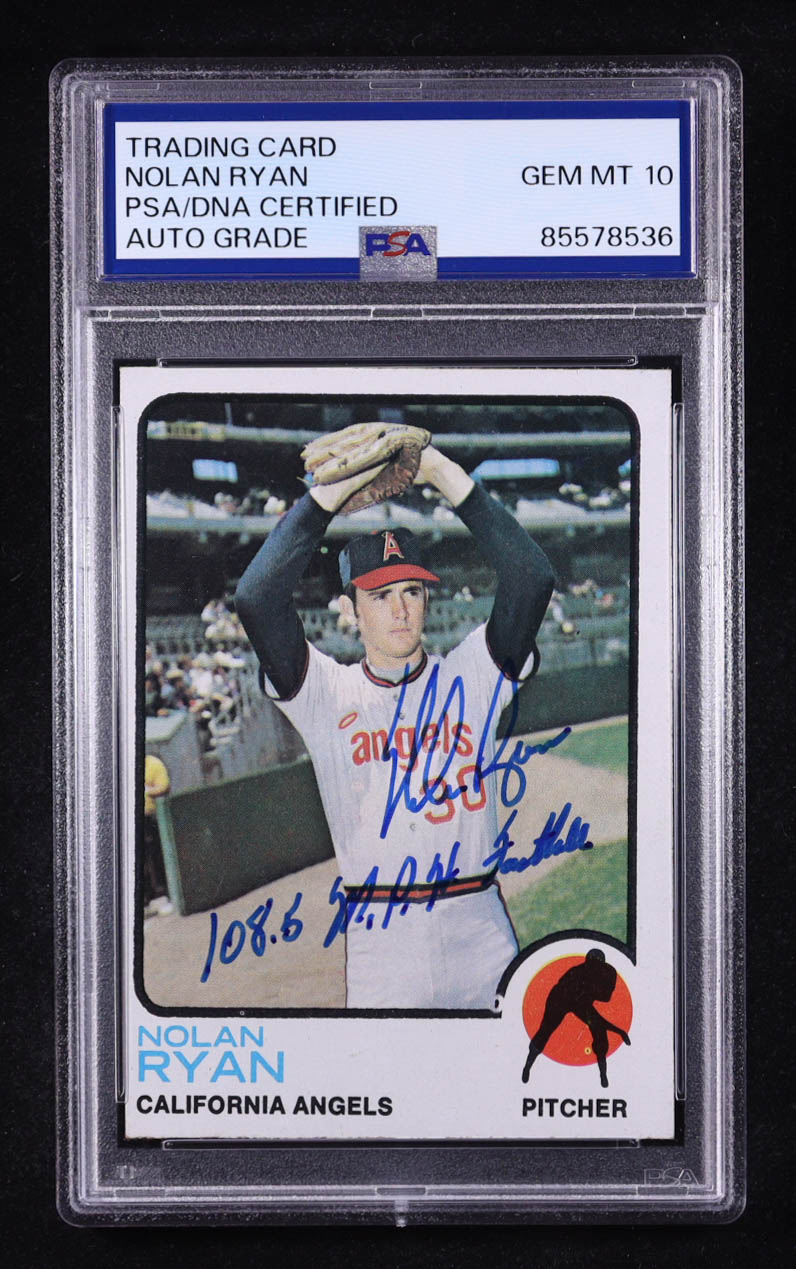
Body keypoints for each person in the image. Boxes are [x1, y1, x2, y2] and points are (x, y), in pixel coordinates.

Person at [235, 444, 555, 1009]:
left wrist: (441, 472)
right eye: (380, 595)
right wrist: (327, 496)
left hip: (478, 931)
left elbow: (532, 577)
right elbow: (256, 598)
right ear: (351, 610)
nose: (401, 610)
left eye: (411, 591)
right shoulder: (325, 693)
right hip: (383, 941)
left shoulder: (472, 674)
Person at [521, 948, 631, 1087]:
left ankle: (603, 1073)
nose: (592, 969)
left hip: (581, 1001)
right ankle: (528, 1066)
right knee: (545, 1031)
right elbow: (595, 1014)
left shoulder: (608, 973)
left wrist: (618, 1031)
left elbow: (605, 999)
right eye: (590, 966)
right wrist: (618, 1030)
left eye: (596, 966)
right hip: (561, 998)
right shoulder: (575, 976)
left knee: (599, 1033)